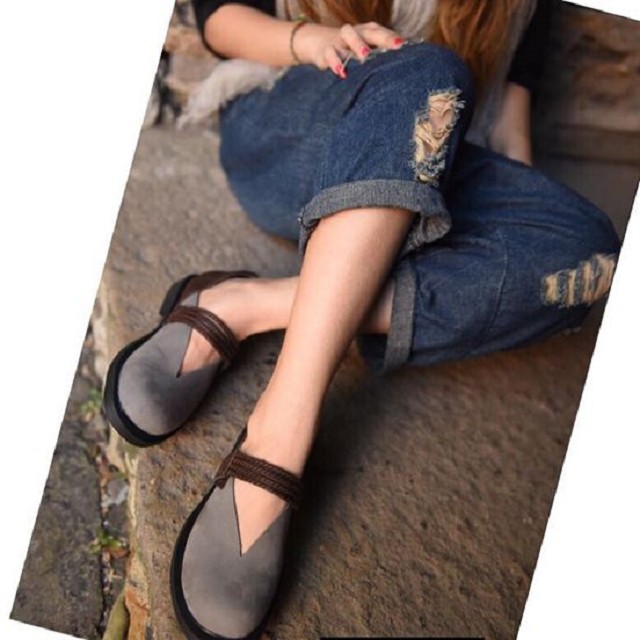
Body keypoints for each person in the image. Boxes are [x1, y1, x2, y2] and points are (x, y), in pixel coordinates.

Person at [103, 1, 621, 638]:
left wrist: (510, 237)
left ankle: (242, 303)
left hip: (432, 143)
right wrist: (315, 40)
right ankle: (278, 435)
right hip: (295, 118)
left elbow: (512, 139)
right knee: (428, 68)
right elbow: (219, 19)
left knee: (589, 254)